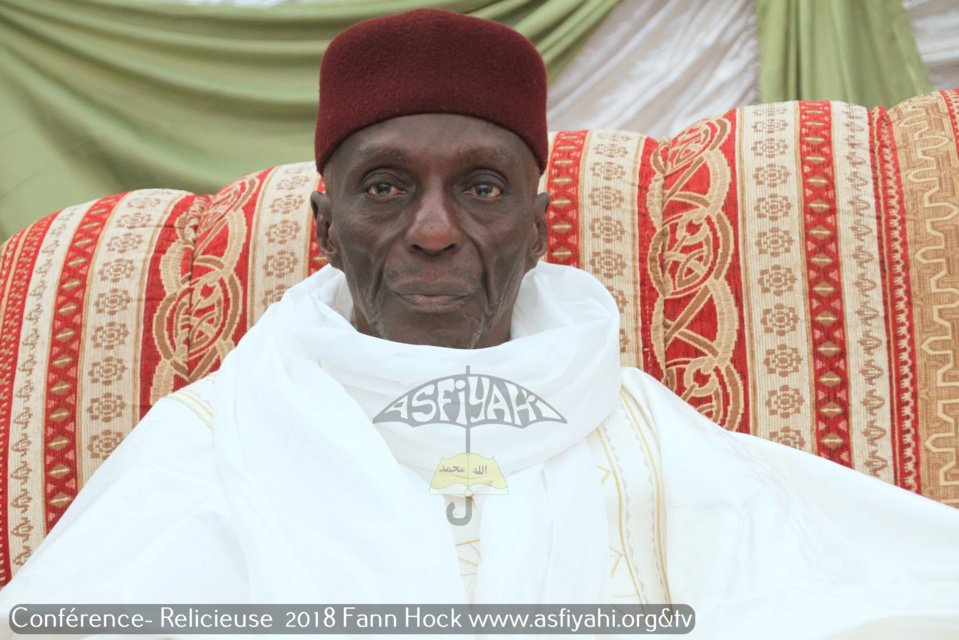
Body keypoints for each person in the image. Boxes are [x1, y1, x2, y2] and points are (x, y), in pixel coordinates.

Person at [2, 8, 959, 639]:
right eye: (384, 187)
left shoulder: (639, 428)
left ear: (539, 229)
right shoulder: (210, 438)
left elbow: (865, 594)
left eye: (481, 188)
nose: (431, 232)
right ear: (325, 230)